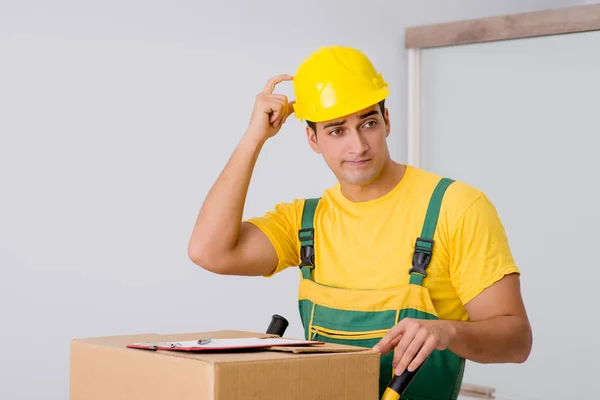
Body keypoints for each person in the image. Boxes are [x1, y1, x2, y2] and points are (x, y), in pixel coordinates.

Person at [187, 46, 532, 399]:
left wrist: (449, 332)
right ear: (313, 139)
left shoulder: (455, 207)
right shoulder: (304, 223)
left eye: (368, 123)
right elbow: (208, 251)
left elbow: (517, 340)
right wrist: (253, 138)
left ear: (387, 121)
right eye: (337, 131)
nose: (358, 146)